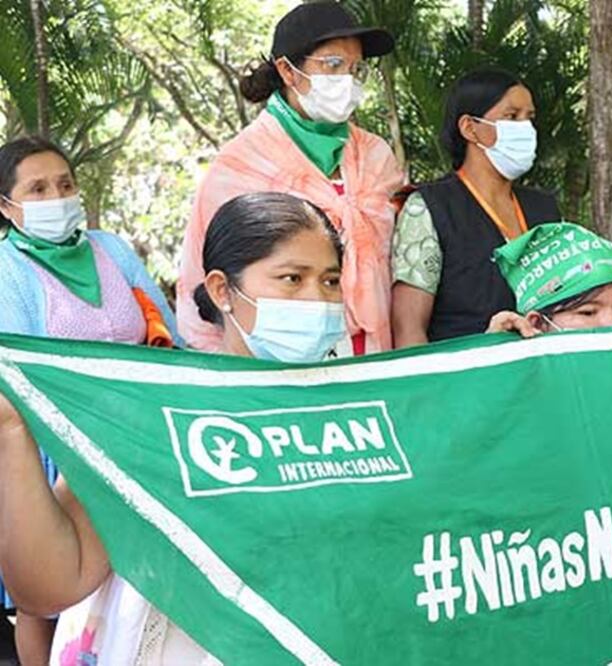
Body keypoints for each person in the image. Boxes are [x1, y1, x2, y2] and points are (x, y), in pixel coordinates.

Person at [0, 192, 346, 664]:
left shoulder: (361, 412)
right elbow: (51, 587)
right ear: (222, 291)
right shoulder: (152, 414)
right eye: (292, 278)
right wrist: (11, 432)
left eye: (330, 281)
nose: (318, 300)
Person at [0, 136, 179, 664]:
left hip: (134, 439)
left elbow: (164, 331)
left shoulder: (111, 250)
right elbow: (19, 367)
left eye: (64, 184)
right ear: (6, 206)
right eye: (37, 189)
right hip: (51, 448)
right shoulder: (6, 269)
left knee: (119, 583)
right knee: (45, 599)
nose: (56, 196)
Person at [177, 0, 402, 355]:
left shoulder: (376, 156)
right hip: (279, 358)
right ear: (287, 70)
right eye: (333, 65)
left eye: (356, 69)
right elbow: (200, 280)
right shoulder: (240, 165)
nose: (347, 80)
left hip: (374, 350)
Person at [391, 67, 561, 347]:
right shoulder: (429, 207)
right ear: (469, 127)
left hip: (541, 365)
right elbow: (409, 329)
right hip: (464, 369)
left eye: (529, 117)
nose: (526, 128)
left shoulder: (545, 209)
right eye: (512, 116)